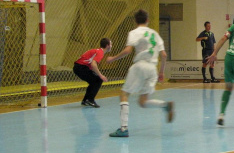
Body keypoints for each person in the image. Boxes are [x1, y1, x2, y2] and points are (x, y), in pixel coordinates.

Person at [106, 9, 174, 137]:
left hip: (140, 66)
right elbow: (164, 55)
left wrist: (112, 58)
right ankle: (165, 105)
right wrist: (161, 72)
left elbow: (127, 51)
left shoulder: (134, 32)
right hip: (152, 68)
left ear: (135, 21)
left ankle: (124, 128)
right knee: (143, 102)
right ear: (147, 20)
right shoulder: (155, 34)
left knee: (124, 94)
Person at [73, 38, 112, 108]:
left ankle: (85, 100)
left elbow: (91, 65)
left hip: (79, 67)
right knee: (98, 80)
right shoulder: (100, 52)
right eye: (111, 44)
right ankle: (90, 100)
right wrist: (101, 75)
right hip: (81, 68)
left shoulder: (96, 51)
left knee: (94, 81)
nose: (111, 46)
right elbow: (93, 64)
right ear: (107, 46)